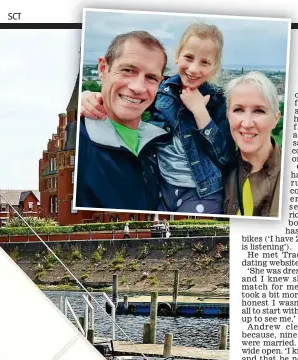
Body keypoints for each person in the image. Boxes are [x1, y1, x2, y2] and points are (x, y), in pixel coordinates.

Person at [80, 23, 235, 215]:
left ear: (214, 67)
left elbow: (226, 157)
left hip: (202, 192)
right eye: (189, 57)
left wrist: (200, 113)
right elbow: (127, 103)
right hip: (164, 188)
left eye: (204, 62)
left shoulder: (218, 102)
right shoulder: (162, 89)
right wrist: (87, 95)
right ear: (178, 56)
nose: (194, 69)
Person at [75, 31, 169, 212]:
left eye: (151, 77)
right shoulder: (78, 138)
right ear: (103, 69)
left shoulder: (164, 142)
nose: (138, 87)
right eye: (127, 70)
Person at [223, 72, 282, 217]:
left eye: (259, 111)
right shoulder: (219, 171)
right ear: (228, 116)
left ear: (276, 119)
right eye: (238, 110)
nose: (247, 123)